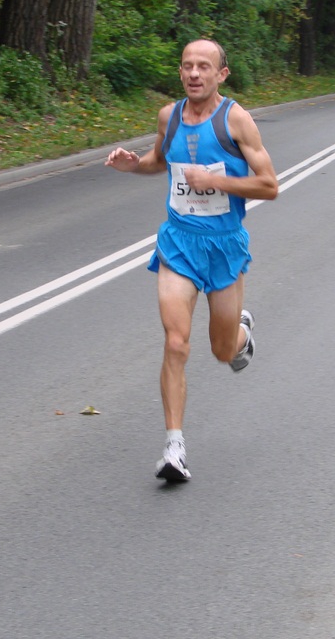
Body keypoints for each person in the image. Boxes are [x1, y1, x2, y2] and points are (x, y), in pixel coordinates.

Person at [105, 39, 278, 482]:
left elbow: (269, 185)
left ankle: (241, 334)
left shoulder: (236, 120)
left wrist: (216, 182)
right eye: (187, 66)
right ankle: (174, 447)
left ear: (222, 74)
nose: (194, 73)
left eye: (204, 66)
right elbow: (159, 160)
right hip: (179, 243)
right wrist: (133, 165)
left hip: (224, 245)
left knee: (223, 351)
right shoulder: (170, 116)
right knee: (176, 342)